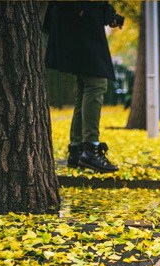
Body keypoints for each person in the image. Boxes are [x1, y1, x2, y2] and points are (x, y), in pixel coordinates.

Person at [45, 1, 124, 172]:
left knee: (86, 86)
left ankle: (77, 149)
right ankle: (90, 149)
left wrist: (108, 14)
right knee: (96, 83)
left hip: (80, 18)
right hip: (77, 18)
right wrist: (79, 10)